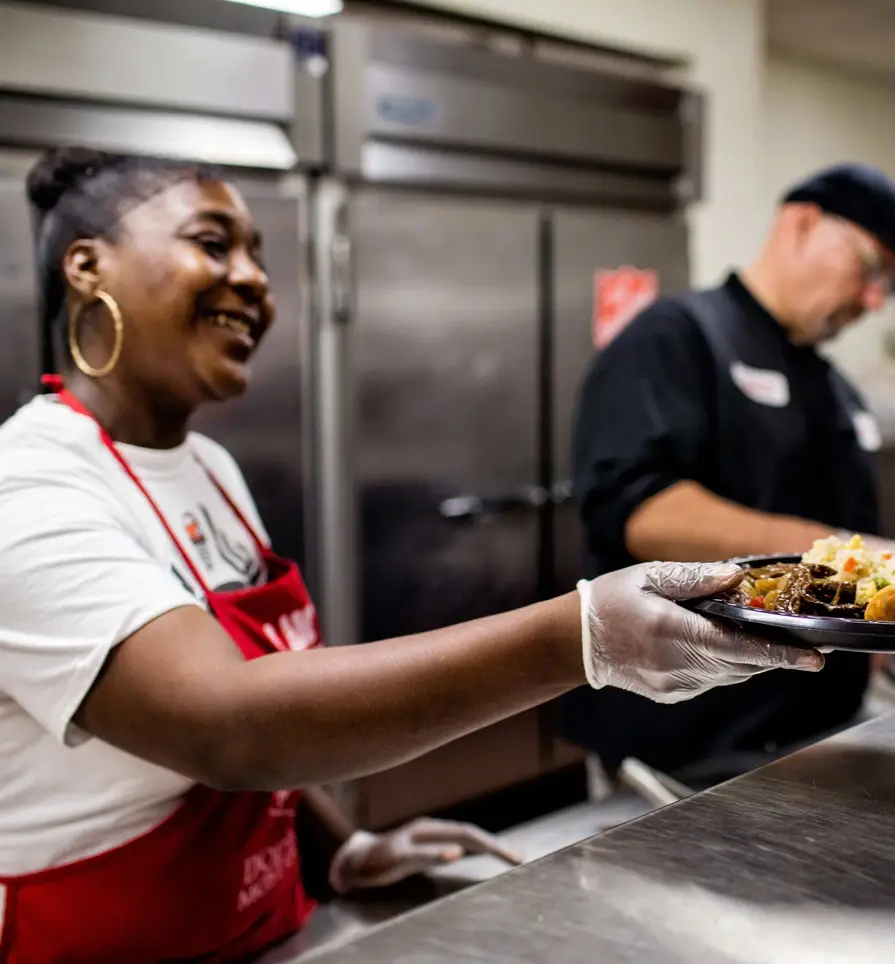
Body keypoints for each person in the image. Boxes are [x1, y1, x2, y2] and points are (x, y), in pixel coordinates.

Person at [0, 147, 822, 964]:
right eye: (214, 244)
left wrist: (343, 852)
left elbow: (268, 730)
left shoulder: (209, 468)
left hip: (266, 929)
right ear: (86, 265)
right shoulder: (29, 487)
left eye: (258, 253)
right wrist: (586, 636)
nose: (254, 279)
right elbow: (228, 725)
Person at [562, 163, 895, 784]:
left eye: (890, 286)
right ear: (800, 224)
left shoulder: (836, 391)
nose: (874, 301)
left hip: (813, 735)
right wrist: (844, 556)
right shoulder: (676, 338)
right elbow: (640, 512)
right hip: (686, 735)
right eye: (871, 268)